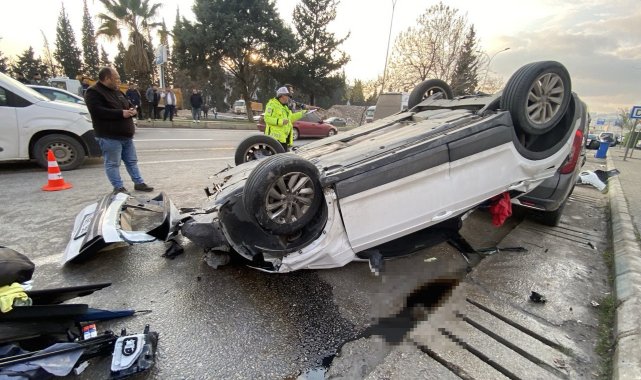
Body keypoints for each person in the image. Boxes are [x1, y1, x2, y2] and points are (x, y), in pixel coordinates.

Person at [84, 67, 154, 194]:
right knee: (112, 163)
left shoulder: (117, 91)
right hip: (109, 136)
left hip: (126, 135)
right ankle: (118, 187)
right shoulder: (93, 92)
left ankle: (139, 183)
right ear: (106, 78)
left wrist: (132, 110)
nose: (118, 81)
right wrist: (121, 113)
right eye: (116, 78)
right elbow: (97, 111)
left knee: (132, 161)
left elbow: (128, 104)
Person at [264, 87, 307, 151]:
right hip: (274, 140)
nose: (288, 98)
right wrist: (280, 121)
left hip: (284, 139)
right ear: (282, 96)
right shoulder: (272, 104)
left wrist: (303, 113)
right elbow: (267, 118)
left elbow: (290, 118)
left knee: (283, 159)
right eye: (287, 96)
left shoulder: (285, 107)